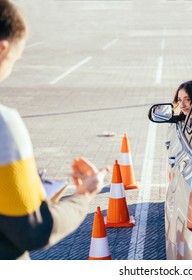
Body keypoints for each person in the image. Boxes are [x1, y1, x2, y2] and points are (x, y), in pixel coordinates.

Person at [0, 0, 109, 260]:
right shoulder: (4, 123)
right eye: (15, 58)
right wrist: (83, 196)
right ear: (2, 50)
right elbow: (33, 230)